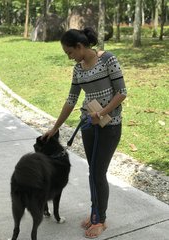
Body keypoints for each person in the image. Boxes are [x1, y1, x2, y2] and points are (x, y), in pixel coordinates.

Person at [43, 27, 127, 239]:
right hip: (89, 125)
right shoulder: (78, 69)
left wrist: (102, 112)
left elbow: (122, 93)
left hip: (110, 126)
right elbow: (71, 100)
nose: (69, 57)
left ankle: (100, 220)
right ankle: (95, 213)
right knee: (93, 173)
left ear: (80, 46)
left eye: (69, 52)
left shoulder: (108, 59)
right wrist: (55, 128)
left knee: (98, 173)